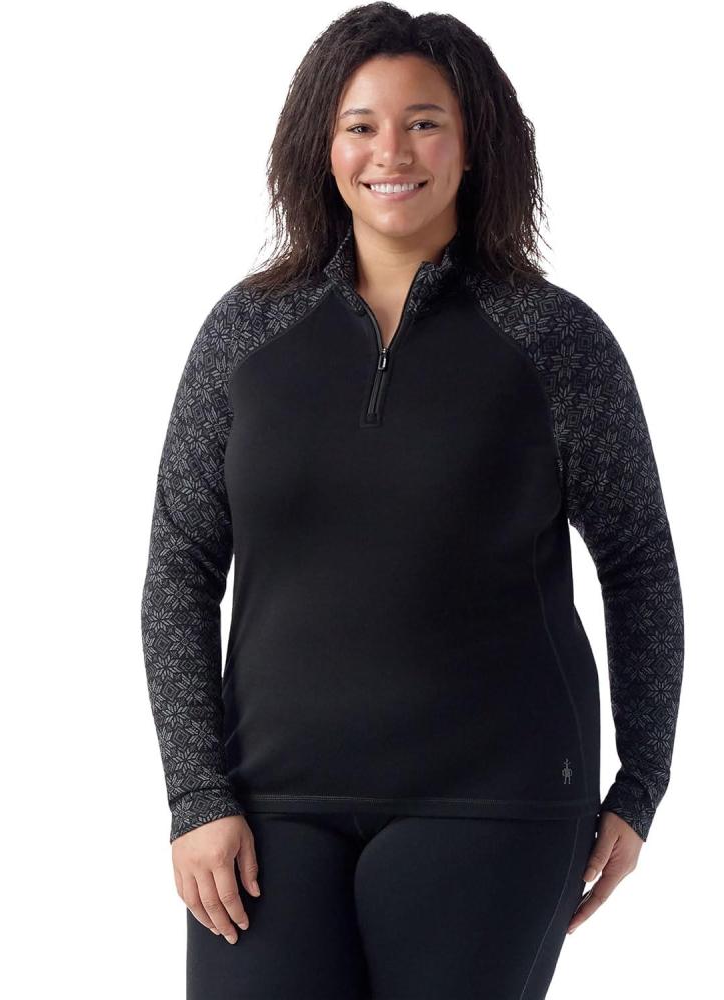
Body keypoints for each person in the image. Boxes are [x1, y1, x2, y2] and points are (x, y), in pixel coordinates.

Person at [140, 4, 684, 998]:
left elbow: (639, 563)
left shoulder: (554, 340)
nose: (390, 151)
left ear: (474, 144)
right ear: (323, 147)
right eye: (361, 125)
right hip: (268, 809)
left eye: (424, 122)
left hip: (495, 804)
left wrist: (641, 781)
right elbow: (179, 570)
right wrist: (195, 795)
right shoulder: (245, 333)